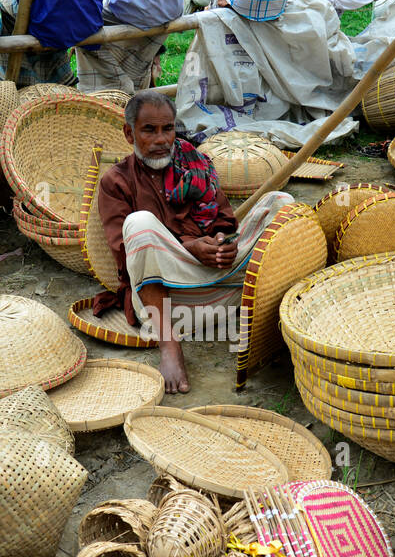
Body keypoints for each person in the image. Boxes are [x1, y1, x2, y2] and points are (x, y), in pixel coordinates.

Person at [91, 90, 288, 393]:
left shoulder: (194, 164)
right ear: (129, 133)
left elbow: (224, 221)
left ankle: (266, 306)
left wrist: (222, 243)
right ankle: (170, 347)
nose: (161, 140)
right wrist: (189, 247)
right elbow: (125, 255)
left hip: (218, 283)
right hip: (163, 301)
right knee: (139, 223)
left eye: (167, 129)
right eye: (149, 130)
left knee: (279, 203)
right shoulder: (116, 182)